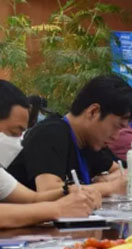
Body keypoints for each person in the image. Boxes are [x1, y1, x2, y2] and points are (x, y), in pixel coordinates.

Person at [7, 75, 132, 194]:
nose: (116, 136)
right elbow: (49, 190)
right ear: (93, 112)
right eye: (116, 127)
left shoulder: (90, 142)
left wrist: (106, 180)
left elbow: (123, 173)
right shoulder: (50, 133)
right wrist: (109, 187)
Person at [0, 80, 100, 228]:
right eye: (14, 132)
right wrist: (57, 209)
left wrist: (68, 190)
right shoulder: (50, 133)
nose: (17, 142)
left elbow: (33, 199)